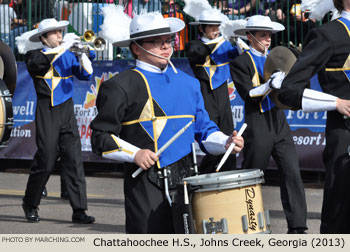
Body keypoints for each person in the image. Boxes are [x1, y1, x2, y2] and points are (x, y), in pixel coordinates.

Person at [90, 12, 244, 234]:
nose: (165, 46)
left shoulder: (190, 84)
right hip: (146, 183)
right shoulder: (119, 86)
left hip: (186, 183)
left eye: (168, 40)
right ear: (135, 47)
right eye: (156, 41)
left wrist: (225, 142)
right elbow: (100, 138)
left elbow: (204, 130)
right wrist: (135, 154)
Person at [230, 15, 307, 234]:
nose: (268, 40)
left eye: (269, 35)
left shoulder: (278, 57)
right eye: (263, 35)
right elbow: (248, 94)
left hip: (278, 121)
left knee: (292, 171)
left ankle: (298, 226)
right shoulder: (240, 62)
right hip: (257, 121)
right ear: (249, 36)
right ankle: (247, 224)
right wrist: (269, 85)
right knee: (252, 175)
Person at [279, 0, 350, 234]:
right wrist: (335, 103)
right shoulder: (329, 34)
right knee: (340, 218)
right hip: (345, 136)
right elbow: (289, 90)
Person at [22, 18, 95, 224]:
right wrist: (64, 48)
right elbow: (39, 65)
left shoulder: (66, 54)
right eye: (54, 33)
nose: (60, 36)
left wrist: (82, 54)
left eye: (60, 32)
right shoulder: (34, 55)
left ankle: (79, 209)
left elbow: (85, 75)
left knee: (73, 159)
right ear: (44, 37)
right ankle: (30, 202)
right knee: (46, 158)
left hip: (67, 110)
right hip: (47, 110)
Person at [185, 8, 239, 174]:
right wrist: (222, 40)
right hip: (203, 90)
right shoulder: (194, 45)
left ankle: (227, 172)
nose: (216, 31)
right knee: (211, 133)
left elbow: (237, 55)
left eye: (217, 27)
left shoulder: (224, 43)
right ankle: (205, 173)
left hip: (221, 90)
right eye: (211, 27)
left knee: (228, 132)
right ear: (201, 28)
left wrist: (239, 42)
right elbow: (200, 52)